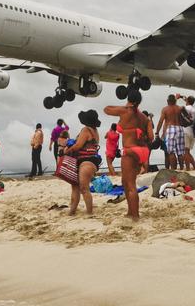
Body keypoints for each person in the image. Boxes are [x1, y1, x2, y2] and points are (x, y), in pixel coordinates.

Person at [104, 91, 153, 220]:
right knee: (125, 182)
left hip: (131, 150)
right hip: (143, 151)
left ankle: (135, 215)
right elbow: (151, 137)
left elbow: (106, 109)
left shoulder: (126, 111)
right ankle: (131, 212)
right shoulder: (144, 118)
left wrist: (125, 106)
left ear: (128, 99)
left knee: (130, 184)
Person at [63, 110, 102, 216]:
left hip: (86, 161)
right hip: (91, 162)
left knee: (83, 188)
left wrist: (67, 150)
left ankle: (89, 213)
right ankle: (72, 211)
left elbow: (78, 145)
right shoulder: (95, 131)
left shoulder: (86, 130)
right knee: (77, 187)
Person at [156, 94, 187, 170]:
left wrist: (157, 132)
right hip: (180, 128)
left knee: (170, 152)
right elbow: (188, 116)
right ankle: (182, 168)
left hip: (170, 129)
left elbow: (161, 121)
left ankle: (173, 170)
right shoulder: (180, 108)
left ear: (167, 101)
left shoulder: (165, 109)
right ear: (175, 101)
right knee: (180, 151)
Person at [182, 95, 195, 171]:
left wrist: (177, 98)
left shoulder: (184, 108)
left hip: (185, 130)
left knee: (185, 151)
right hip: (192, 131)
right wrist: (185, 99)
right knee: (188, 152)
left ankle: (188, 168)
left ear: (187, 101)